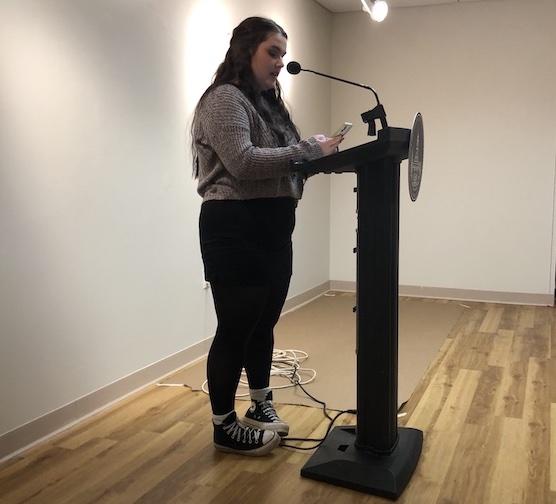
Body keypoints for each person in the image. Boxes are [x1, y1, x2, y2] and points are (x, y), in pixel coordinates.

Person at [191, 16, 343, 456]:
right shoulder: (224, 100)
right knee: (235, 330)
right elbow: (243, 162)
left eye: (283, 53)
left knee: (263, 327)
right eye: (272, 52)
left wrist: (316, 159)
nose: (281, 62)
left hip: (274, 228)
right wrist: (308, 150)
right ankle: (224, 425)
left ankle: (260, 405)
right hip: (235, 228)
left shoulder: (267, 104)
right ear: (246, 51)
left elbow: (281, 163)